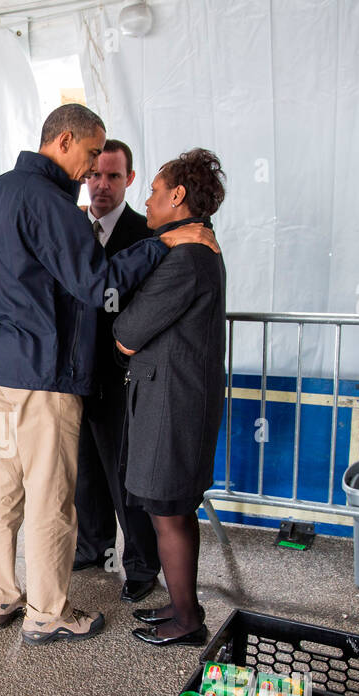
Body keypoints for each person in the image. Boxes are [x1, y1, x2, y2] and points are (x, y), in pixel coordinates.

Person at [0, 105, 218, 647]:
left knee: (3, 487)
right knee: (52, 496)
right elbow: (93, 280)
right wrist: (161, 244)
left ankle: (1, 596)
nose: (91, 169)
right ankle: (47, 613)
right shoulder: (50, 200)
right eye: (88, 154)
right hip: (40, 373)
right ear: (63, 141)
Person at [112, 148, 227, 646]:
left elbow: (127, 332)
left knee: (169, 513)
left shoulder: (186, 259)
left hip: (173, 403)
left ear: (177, 196)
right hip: (178, 397)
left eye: (155, 191)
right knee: (176, 511)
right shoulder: (193, 250)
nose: (148, 200)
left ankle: (188, 621)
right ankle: (186, 606)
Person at [72, 139, 162, 606]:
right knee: (83, 470)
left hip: (121, 378)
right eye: (94, 175)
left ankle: (142, 565)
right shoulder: (70, 229)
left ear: (129, 179)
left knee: (127, 478)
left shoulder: (147, 233)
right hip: (73, 376)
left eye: (112, 176)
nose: (101, 185)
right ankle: (93, 547)